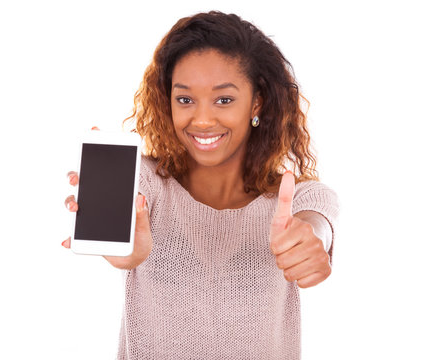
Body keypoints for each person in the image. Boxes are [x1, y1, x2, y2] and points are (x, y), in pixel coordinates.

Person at [62, 11, 339, 359]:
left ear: (256, 102)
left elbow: (318, 219)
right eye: (185, 99)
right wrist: (124, 241)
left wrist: (311, 241)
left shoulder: (296, 200)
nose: (203, 119)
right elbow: (133, 203)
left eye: (224, 100)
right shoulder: (150, 184)